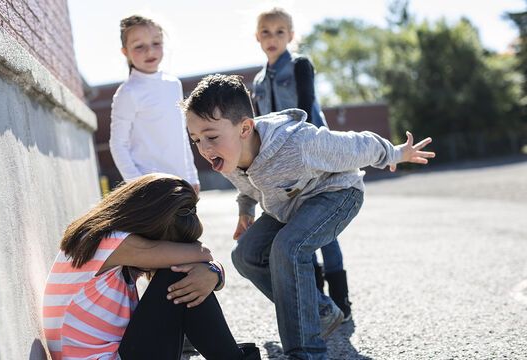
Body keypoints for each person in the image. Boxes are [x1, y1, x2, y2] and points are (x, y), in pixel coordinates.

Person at [182, 74, 435, 359]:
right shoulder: (228, 157)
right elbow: (247, 186)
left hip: (336, 194)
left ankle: (307, 351)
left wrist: (395, 153)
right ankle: (320, 311)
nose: (204, 148)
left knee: (288, 248)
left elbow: (355, 145)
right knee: (245, 255)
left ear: (244, 128)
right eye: (196, 139)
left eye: (211, 136)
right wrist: (245, 210)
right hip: (288, 206)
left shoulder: (297, 143)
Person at [42, 173, 261, 360]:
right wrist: (212, 269)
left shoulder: (102, 239)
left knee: (183, 274)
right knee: (176, 275)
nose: (166, 250)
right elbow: (202, 254)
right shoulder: (111, 242)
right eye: (167, 243)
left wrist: (214, 273)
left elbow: (202, 260)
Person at [251, 7, 351, 321]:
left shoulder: (299, 66)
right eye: (266, 32)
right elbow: (259, 125)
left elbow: (306, 109)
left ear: (291, 36)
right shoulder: (257, 81)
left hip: (313, 157)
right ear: (257, 37)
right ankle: (319, 303)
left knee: (325, 231)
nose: (273, 37)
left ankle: (341, 301)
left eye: (280, 31)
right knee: (297, 229)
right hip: (280, 166)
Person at [109, 15, 200, 193]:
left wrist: (192, 176)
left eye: (156, 43)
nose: (149, 51)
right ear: (125, 52)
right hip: (150, 188)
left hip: (181, 183)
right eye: (139, 46)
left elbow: (181, 135)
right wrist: (137, 184)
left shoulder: (174, 84)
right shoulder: (128, 93)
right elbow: (118, 144)